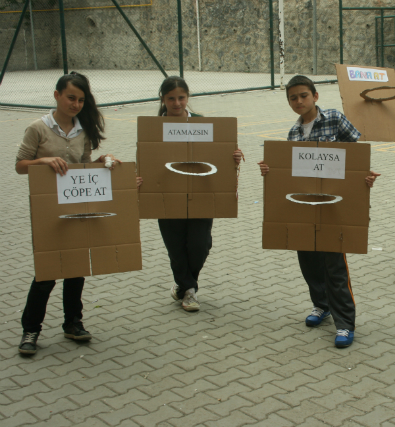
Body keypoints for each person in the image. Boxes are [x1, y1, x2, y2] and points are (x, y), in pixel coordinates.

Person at [258, 75, 380, 348]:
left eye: (303, 95)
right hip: (303, 207)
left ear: (315, 96)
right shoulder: (293, 133)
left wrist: (365, 175)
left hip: (335, 205)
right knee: (308, 261)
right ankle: (321, 305)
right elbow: (288, 172)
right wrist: (270, 170)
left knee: (334, 265)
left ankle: (345, 323)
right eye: (293, 98)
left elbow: (356, 155)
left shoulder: (335, 119)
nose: (299, 101)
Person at [15, 72, 120, 355]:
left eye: (81, 100)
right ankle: (31, 330)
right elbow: (20, 165)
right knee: (46, 272)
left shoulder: (83, 129)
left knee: (76, 268)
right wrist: (43, 160)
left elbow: (83, 165)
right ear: (57, 95)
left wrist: (101, 162)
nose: (75, 104)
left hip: (76, 206)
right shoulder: (38, 128)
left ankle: (73, 323)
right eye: (71, 98)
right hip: (47, 209)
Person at [138, 76, 243, 312]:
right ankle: (189, 291)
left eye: (181, 98)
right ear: (163, 99)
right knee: (176, 247)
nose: (177, 103)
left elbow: (218, 154)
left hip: (202, 193)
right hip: (167, 195)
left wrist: (233, 156)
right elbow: (147, 161)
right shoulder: (154, 128)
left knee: (200, 245)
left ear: (188, 97)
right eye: (171, 99)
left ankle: (184, 285)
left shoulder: (202, 124)